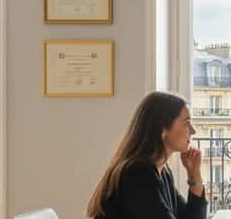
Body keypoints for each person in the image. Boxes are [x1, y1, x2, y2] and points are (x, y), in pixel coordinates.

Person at [86, 91, 208, 219]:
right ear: (163, 128)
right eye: (186, 123)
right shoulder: (137, 175)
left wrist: (194, 174)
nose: (193, 131)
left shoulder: (163, 172)